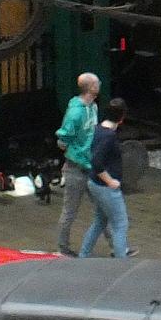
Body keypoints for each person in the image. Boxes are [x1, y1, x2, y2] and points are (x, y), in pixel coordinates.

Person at [79, 97, 133, 258]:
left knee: (100, 221)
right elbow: (96, 162)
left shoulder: (97, 129)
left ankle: (84, 254)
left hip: (94, 184)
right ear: (122, 118)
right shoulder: (109, 137)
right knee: (120, 224)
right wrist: (110, 181)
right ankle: (120, 264)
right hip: (106, 188)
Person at [53, 72, 100, 256]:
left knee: (102, 209)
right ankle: (62, 248)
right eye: (96, 82)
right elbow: (63, 137)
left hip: (90, 166)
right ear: (91, 88)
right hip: (76, 169)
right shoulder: (75, 112)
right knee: (69, 211)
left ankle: (118, 247)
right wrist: (75, 153)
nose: (99, 84)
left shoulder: (93, 107)